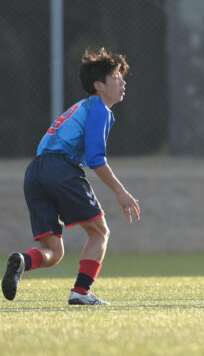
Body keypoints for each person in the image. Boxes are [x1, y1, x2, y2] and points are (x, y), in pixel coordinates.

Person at [2, 48, 141, 306]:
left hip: (35, 171)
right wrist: (121, 192)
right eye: (116, 77)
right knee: (100, 232)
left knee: (54, 252)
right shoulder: (99, 109)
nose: (123, 82)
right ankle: (81, 291)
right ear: (99, 85)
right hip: (60, 168)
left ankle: (22, 260)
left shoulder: (80, 107)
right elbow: (96, 159)